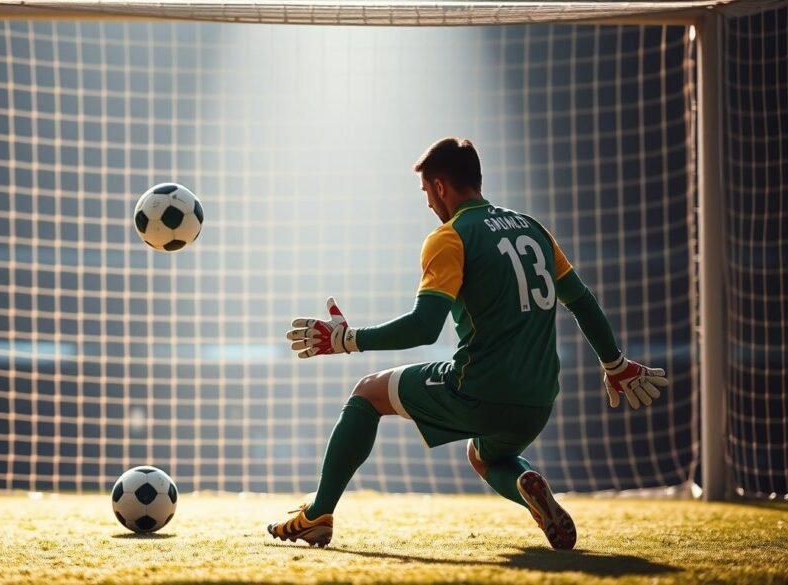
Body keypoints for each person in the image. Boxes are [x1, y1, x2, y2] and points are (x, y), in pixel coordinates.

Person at [266, 137, 669, 550]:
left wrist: (348, 340)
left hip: (478, 388)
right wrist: (615, 363)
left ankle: (318, 514)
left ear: (440, 187)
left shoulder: (450, 237)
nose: (427, 203)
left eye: (426, 192)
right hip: (539, 399)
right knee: (484, 456)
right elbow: (582, 300)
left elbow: (425, 328)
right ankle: (525, 483)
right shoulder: (533, 229)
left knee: (367, 393)